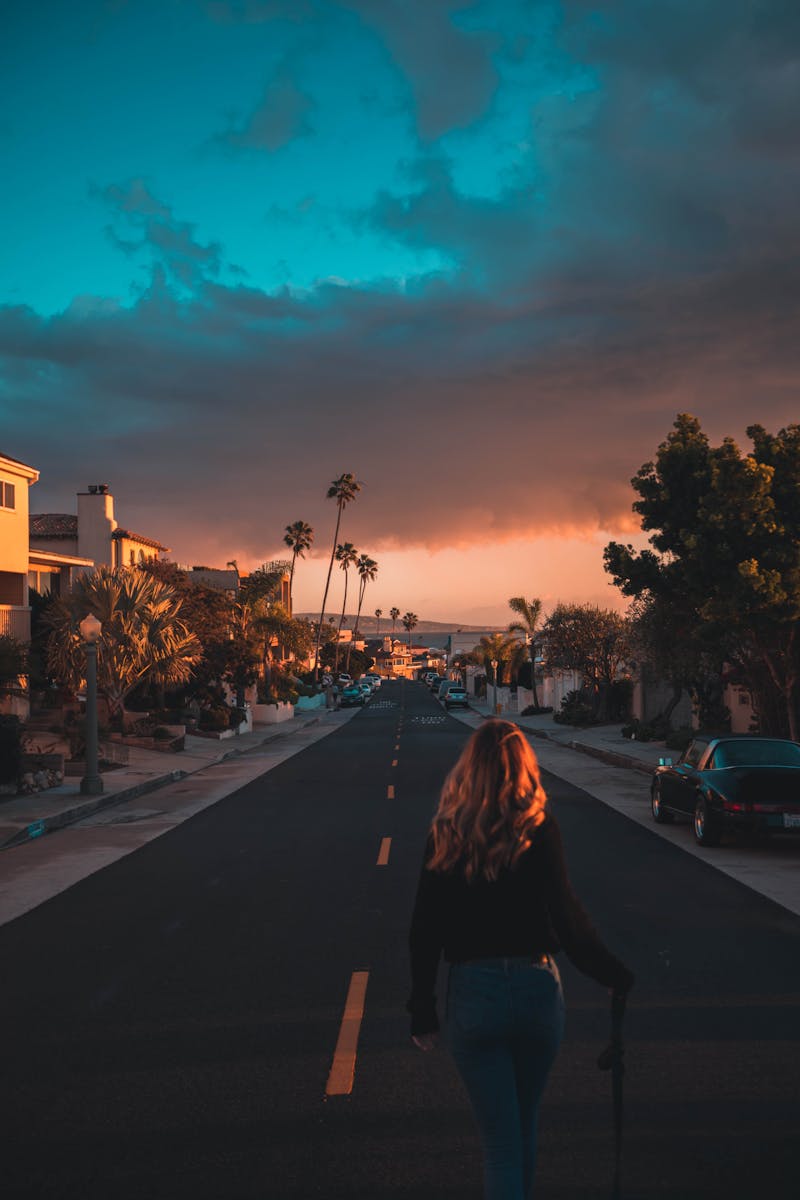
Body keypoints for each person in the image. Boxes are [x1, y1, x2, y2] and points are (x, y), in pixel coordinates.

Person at [407, 720, 634, 1200]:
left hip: (475, 994)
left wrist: (423, 1010)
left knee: (500, 1145)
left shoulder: (446, 830)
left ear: (470, 768)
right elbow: (567, 916)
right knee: (523, 1127)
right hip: (536, 990)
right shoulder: (538, 825)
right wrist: (611, 974)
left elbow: (425, 928)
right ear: (524, 766)